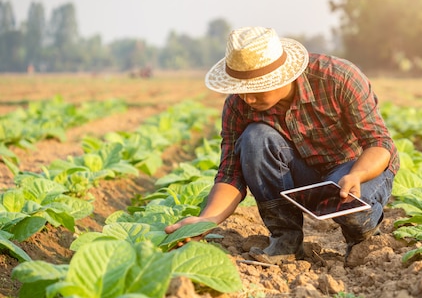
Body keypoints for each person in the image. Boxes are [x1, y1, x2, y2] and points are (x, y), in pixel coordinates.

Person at [165, 26, 399, 264]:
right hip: (299, 175)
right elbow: (230, 174)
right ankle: (285, 240)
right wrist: (207, 220)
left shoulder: (339, 78)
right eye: (241, 89)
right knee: (255, 138)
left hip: (354, 170)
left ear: (283, 75)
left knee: (353, 210)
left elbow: (379, 143)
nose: (247, 98)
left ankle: (362, 239)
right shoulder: (238, 106)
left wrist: (357, 175)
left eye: (255, 88)